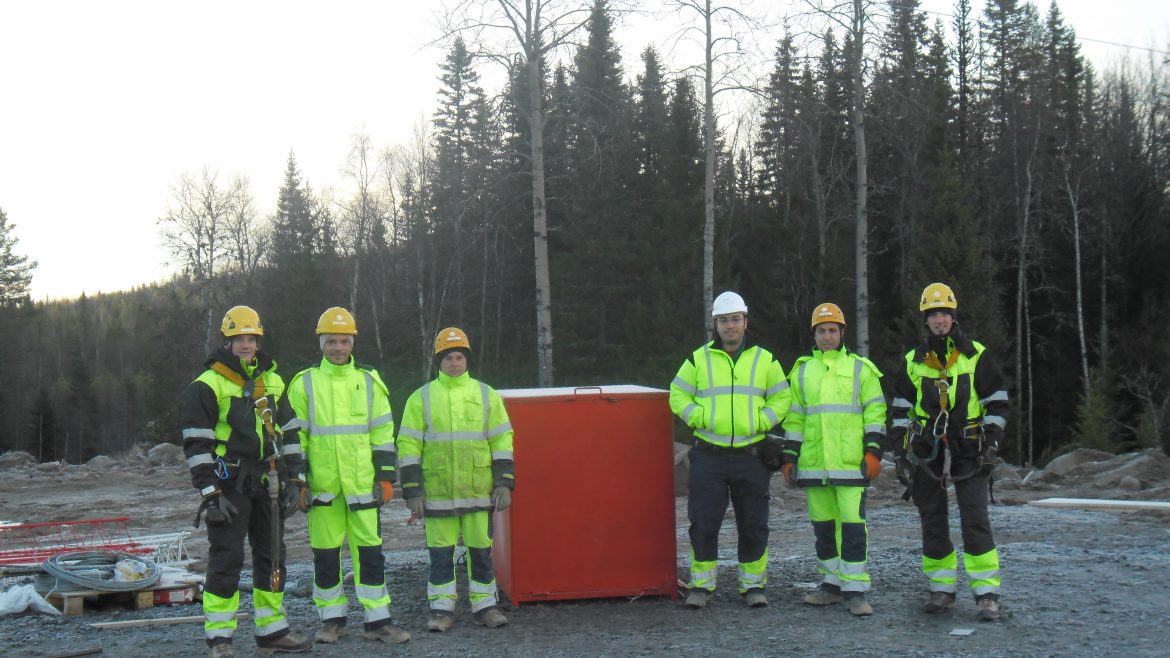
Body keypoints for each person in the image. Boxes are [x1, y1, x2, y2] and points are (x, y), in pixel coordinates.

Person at [181, 306, 313, 657]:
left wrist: (295, 478)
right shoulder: (207, 385)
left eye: (251, 338)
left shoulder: (273, 380)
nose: (246, 344)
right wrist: (209, 492)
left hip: (269, 480)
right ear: (228, 340)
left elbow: (290, 432)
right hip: (230, 483)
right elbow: (197, 445)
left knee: (273, 557)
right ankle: (220, 640)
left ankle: (272, 631)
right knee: (226, 559)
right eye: (239, 338)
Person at [284, 307, 411, 645]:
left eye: (344, 341)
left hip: (362, 487)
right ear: (320, 342)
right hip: (323, 489)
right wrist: (298, 482)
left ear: (352, 342)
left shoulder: (369, 381)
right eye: (331, 341)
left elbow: (383, 433)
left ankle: (378, 620)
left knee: (370, 553)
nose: (338, 348)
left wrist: (385, 477)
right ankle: (331, 619)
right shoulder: (304, 383)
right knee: (325, 555)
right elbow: (296, 439)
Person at [889, 283, 1008, 621]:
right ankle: (942, 589)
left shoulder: (976, 355)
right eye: (933, 315)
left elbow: (997, 401)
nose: (939, 320)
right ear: (925, 320)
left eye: (944, 313)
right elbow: (900, 407)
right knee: (932, 517)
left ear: (953, 317)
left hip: (970, 446)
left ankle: (986, 594)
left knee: (975, 517)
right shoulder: (914, 361)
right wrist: (901, 452)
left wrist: (992, 443)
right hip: (928, 448)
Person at [669, 291, 791, 609]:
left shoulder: (765, 360)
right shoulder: (699, 359)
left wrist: (761, 421)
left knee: (753, 521)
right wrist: (701, 417)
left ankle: (753, 587)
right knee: (704, 521)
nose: (730, 326)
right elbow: (677, 394)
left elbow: (783, 398)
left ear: (745, 322)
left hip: (751, 456)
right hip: (709, 454)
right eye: (724, 321)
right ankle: (702, 586)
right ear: (716, 324)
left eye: (735, 320)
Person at [397, 327, 515, 631]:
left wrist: (503, 481)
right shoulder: (420, 398)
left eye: (460, 357)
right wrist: (412, 491)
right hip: (436, 493)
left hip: (478, 492)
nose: (455, 363)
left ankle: (486, 607)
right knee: (440, 555)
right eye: (449, 357)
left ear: (467, 359)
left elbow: (502, 439)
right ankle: (441, 611)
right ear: (440, 360)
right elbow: (408, 446)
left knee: (480, 552)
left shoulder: (486, 395)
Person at [781, 303, 886, 616]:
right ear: (814, 334)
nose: (827, 336)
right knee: (824, 528)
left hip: (851, 465)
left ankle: (855, 589)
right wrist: (789, 457)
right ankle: (830, 584)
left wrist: (873, 452)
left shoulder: (860, 369)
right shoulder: (801, 371)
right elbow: (795, 418)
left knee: (853, 527)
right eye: (821, 331)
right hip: (814, 467)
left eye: (832, 331)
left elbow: (875, 412)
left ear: (842, 333)